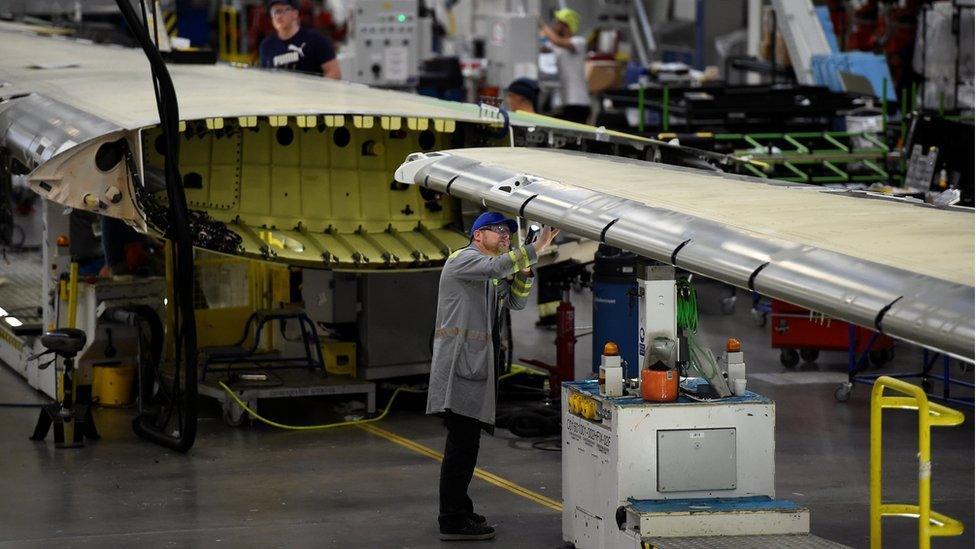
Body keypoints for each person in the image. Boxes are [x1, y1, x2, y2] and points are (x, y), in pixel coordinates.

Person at [428, 212, 558, 541]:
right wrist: (536, 248)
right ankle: (452, 519)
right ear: (477, 235)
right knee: (461, 444)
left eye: (508, 232)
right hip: (460, 367)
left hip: (477, 368)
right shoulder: (463, 261)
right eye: (497, 231)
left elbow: (516, 301)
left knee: (466, 444)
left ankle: (459, 508)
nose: (504, 236)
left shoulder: (491, 272)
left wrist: (525, 268)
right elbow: (496, 268)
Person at [259, 0, 341, 79]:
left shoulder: (316, 40)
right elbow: (266, 78)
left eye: (282, 11)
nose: (278, 16)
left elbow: (334, 73)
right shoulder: (266, 45)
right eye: (274, 12)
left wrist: (316, 91)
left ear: (295, 13)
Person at [539, 8, 590, 124]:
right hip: (566, 101)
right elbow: (542, 47)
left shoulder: (579, 42)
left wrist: (541, 24)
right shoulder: (558, 46)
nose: (554, 25)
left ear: (565, 25)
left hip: (578, 102)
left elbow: (557, 41)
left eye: (557, 22)